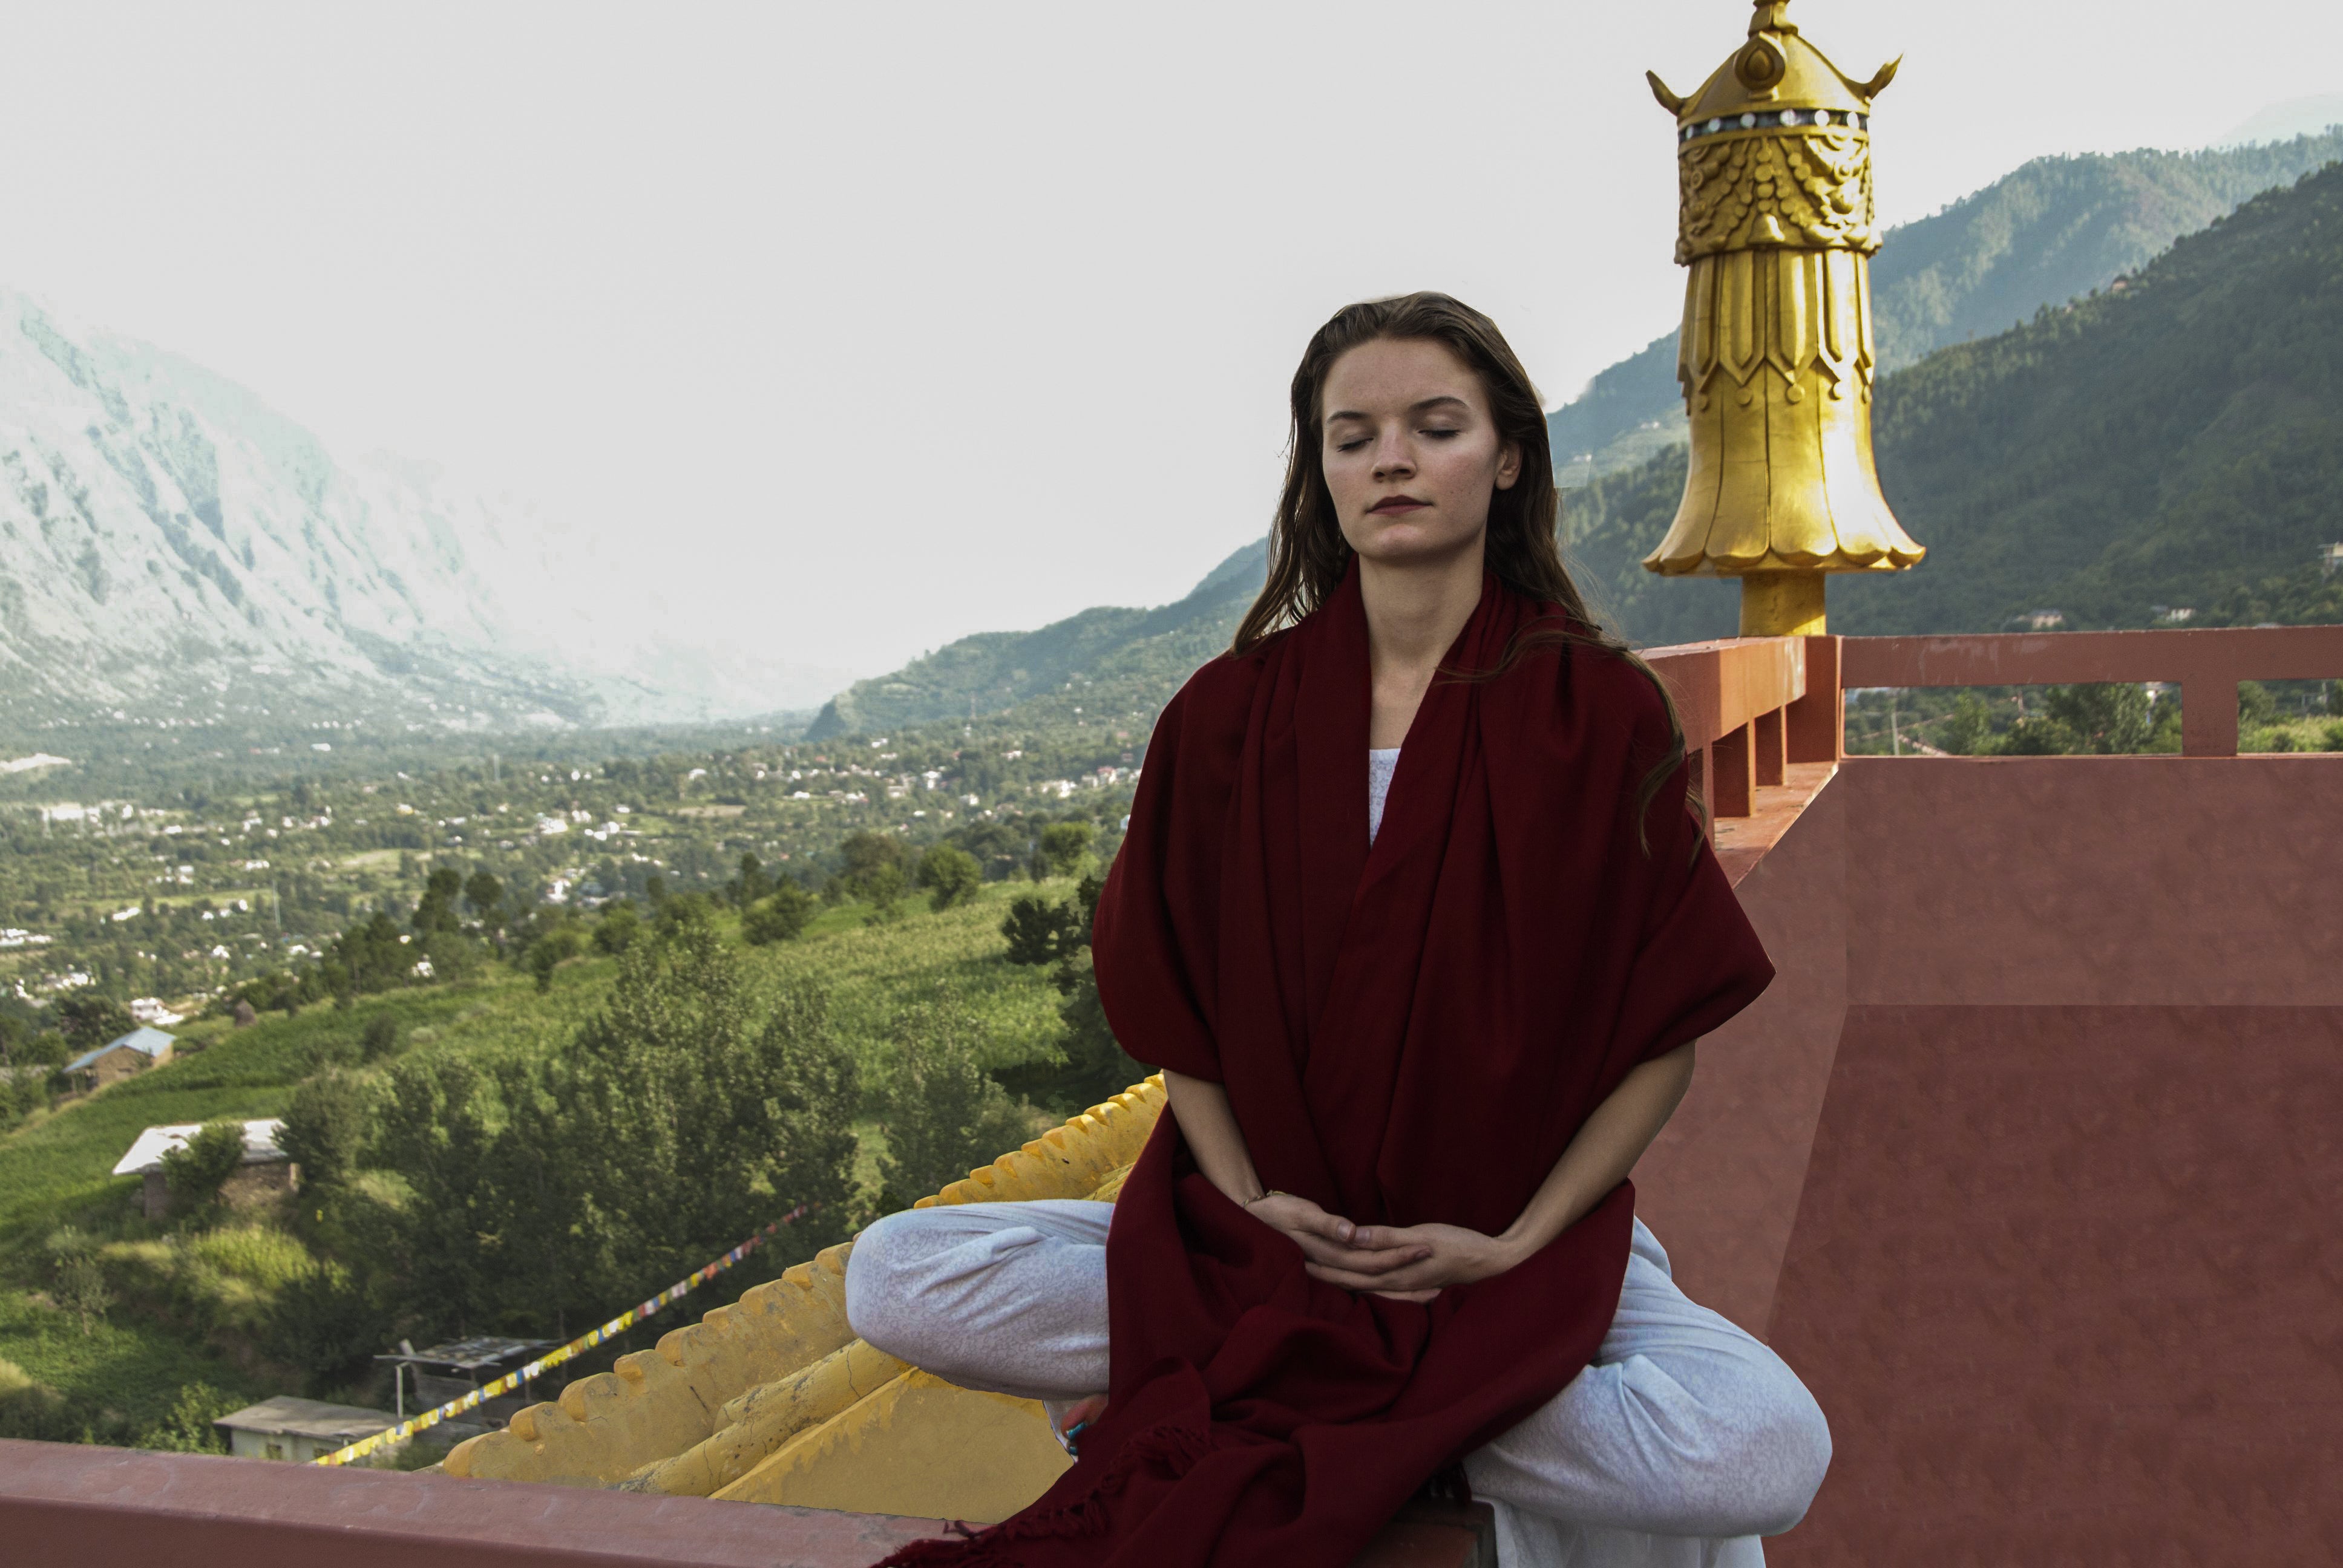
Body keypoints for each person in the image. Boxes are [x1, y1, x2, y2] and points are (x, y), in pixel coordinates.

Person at [848, 293, 1830, 1566]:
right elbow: (1180, 1013)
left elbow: (1661, 1035)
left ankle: (1308, 1407)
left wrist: (1512, 1243)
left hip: (1504, 1240)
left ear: (1508, 454)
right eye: (1352, 435)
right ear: (1319, 471)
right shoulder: (1225, 715)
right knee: (896, 1278)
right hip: (1254, 1245)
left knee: (1767, 1448)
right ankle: (1391, 1408)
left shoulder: (1596, 713)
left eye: (1434, 427)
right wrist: (1253, 1197)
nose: (1393, 461)